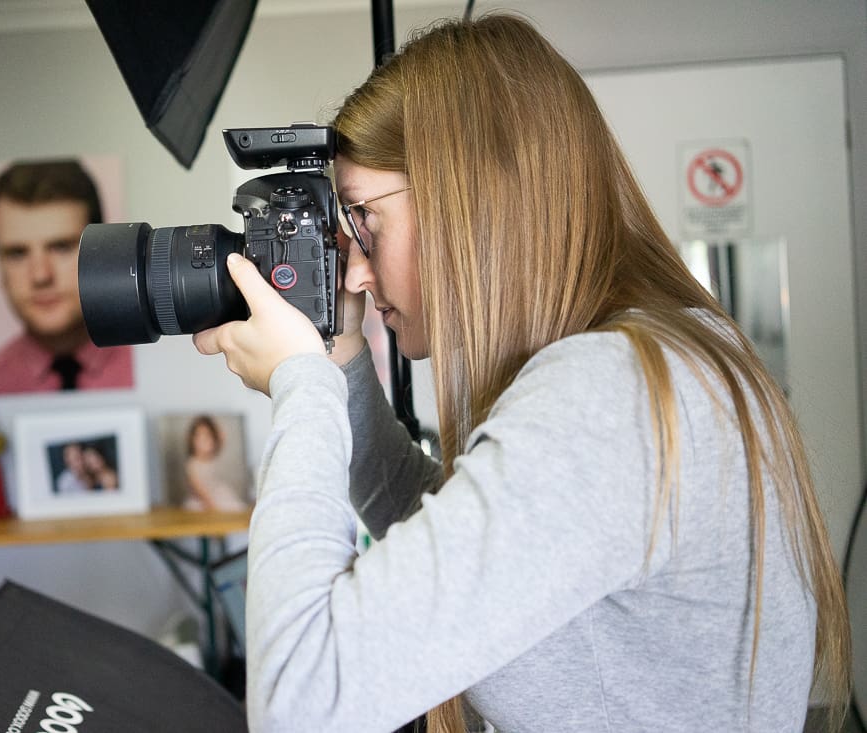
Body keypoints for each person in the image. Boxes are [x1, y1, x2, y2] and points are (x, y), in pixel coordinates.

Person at [192, 14, 850, 733]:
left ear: (472, 198)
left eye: (365, 223)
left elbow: (301, 700)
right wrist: (341, 360)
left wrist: (301, 385)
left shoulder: (611, 394)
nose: (353, 268)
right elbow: (447, 536)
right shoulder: (670, 354)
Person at [0, 160, 133, 395]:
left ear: (101, 250)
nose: (41, 276)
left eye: (61, 247)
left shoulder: (155, 364)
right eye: (17, 253)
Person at [181, 415, 248, 512]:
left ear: (213, 441)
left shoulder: (210, 458)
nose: (202, 441)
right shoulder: (193, 464)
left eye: (207, 437)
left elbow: (221, 439)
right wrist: (211, 504)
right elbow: (198, 488)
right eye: (198, 436)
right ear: (191, 440)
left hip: (217, 494)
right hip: (203, 500)